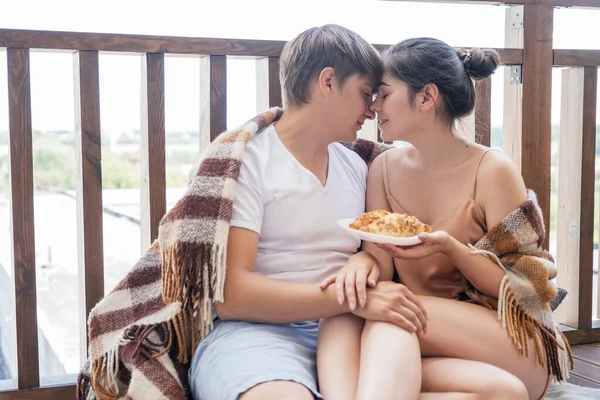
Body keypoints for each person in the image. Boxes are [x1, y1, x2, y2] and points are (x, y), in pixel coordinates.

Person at [318, 38, 570, 400]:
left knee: (382, 316)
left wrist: (453, 249)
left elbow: (517, 288)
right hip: (426, 341)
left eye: (384, 94)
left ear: (425, 97)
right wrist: (362, 259)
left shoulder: (492, 170)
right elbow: (381, 260)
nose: (373, 107)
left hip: (508, 340)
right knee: (498, 391)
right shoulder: (383, 169)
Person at [188, 25, 428, 400]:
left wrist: (365, 265)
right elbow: (231, 295)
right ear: (328, 82)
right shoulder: (246, 162)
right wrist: (350, 299)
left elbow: (377, 252)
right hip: (257, 336)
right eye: (366, 94)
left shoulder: (360, 166)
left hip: (347, 330)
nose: (371, 110)